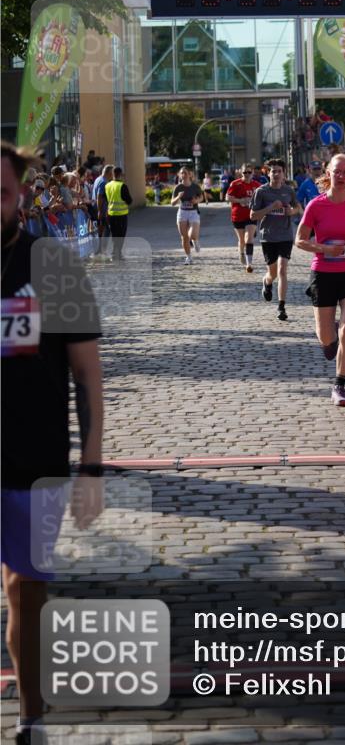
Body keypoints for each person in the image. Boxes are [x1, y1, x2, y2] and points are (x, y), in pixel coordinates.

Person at [2, 141, 104, 745]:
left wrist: (91, 468)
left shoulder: (54, 266)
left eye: (1, 192)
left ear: (21, 196)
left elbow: (87, 374)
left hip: (33, 457)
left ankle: (30, 716)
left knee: (25, 588)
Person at [296, 153, 345, 407]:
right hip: (323, 274)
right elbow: (299, 240)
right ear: (328, 173)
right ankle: (331, 336)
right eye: (337, 171)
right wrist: (324, 249)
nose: (341, 176)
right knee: (326, 339)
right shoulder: (316, 205)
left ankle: (339, 385)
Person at [250, 159, 301, 321]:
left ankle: (281, 306)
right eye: (273, 171)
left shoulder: (289, 191)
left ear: (284, 174)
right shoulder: (261, 192)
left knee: (282, 270)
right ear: (268, 173)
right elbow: (253, 215)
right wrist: (271, 207)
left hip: (285, 236)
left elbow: (298, 208)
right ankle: (267, 282)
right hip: (268, 237)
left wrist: (290, 212)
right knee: (272, 273)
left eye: (279, 171)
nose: (276, 174)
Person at [227, 164, 262, 271]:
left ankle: (249, 264)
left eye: (249, 172)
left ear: (252, 173)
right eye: (244, 172)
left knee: (249, 238)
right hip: (237, 216)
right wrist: (241, 200)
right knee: (242, 241)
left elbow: (263, 198)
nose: (247, 174)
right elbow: (228, 197)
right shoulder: (235, 183)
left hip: (251, 216)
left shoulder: (257, 185)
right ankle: (241, 252)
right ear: (241, 173)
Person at [171, 167, 203, 265]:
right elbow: (172, 203)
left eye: (185, 173)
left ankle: (195, 240)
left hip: (193, 212)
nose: (183, 175)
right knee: (184, 237)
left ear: (189, 174)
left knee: (192, 235)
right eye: (181, 173)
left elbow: (201, 197)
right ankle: (188, 257)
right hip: (182, 212)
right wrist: (178, 197)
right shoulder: (178, 187)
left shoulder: (195, 186)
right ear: (179, 175)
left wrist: (196, 201)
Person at [104, 165, 132, 261]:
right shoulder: (122, 186)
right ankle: (117, 254)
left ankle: (115, 253)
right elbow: (129, 200)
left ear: (113, 174)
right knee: (121, 235)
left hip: (111, 214)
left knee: (114, 235)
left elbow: (106, 199)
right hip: (121, 215)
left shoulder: (107, 185)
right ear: (120, 174)